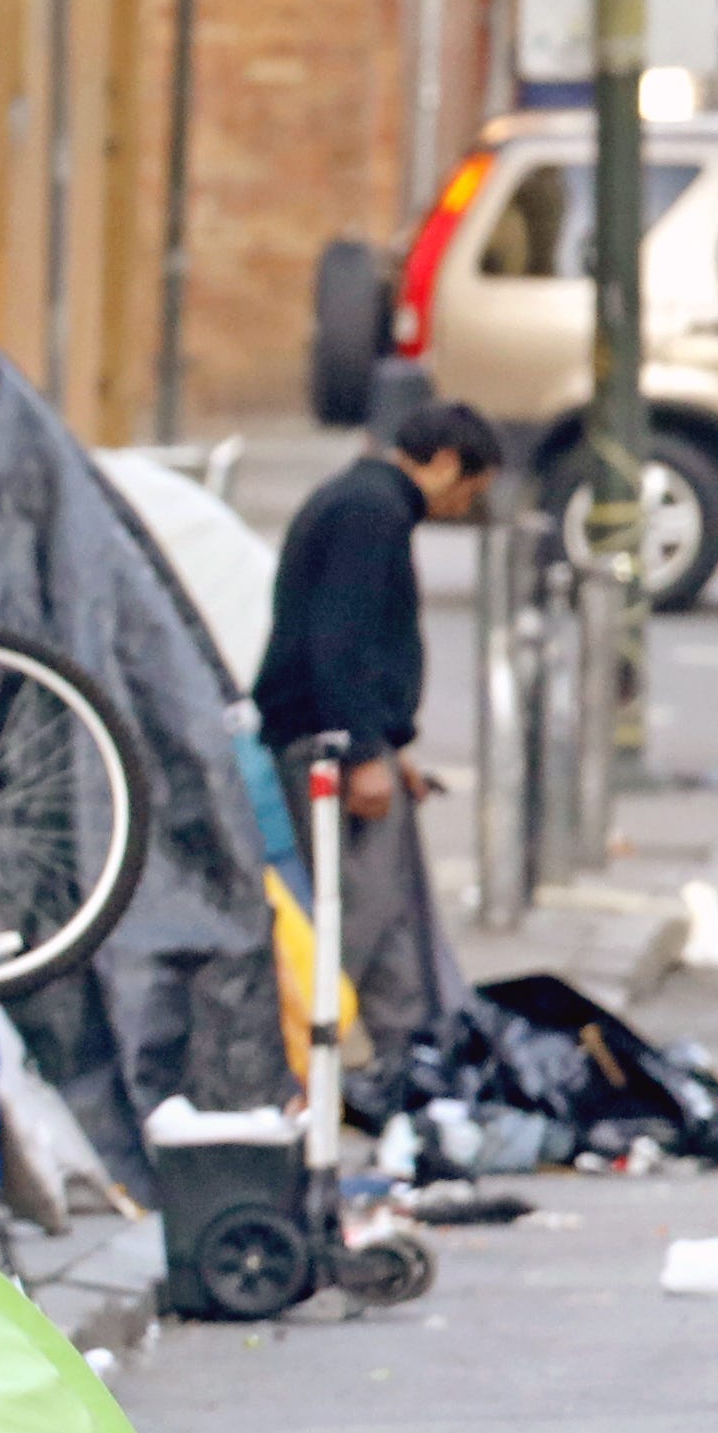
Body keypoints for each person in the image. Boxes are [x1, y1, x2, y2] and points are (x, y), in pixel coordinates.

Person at [250, 399, 497, 1047]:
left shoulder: (366, 502)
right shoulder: (371, 514)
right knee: (360, 908)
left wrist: (392, 746)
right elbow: (342, 639)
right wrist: (362, 751)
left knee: (387, 911)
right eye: (471, 488)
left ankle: (409, 1052)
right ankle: (307, 1041)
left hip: (341, 735)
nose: (466, 505)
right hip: (327, 741)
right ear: (444, 463)